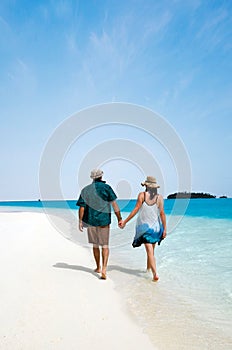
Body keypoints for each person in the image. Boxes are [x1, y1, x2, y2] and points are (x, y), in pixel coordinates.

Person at [76, 169, 122, 280]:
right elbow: (115, 205)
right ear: (101, 176)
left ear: (92, 177)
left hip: (91, 221)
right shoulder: (107, 188)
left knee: (95, 245)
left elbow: (82, 207)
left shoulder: (85, 190)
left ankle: (98, 267)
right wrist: (119, 218)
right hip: (104, 221)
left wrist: (80, 221)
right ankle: (104, 269)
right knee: (105, 245)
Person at [119, 176, 166, 282]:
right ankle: (150, 270)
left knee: (150, 251)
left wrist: (125, 221)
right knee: (151, 251)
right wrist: (165, 229)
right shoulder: (160, 198)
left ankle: (153, 272)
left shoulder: (142, 195)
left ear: (146, 186)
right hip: (156, 228)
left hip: (144, 228)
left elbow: (135, 209)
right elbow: (162, 214)